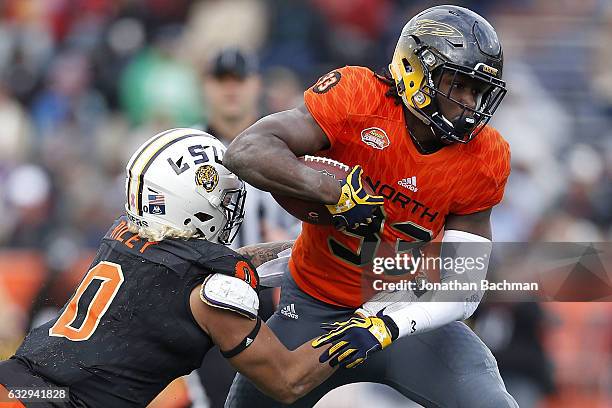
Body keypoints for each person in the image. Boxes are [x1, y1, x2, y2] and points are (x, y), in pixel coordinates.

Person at [224, 5, 518, 408]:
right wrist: (334, 191)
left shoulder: (485, 157)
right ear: (417, 72)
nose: (469, 103)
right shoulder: (359, 97)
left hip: (407, 312)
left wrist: (387, 325)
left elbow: (465, 287)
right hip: (314, 305)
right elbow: (246, 151)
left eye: (477, 91)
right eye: (458, 85)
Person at [0, 128, 345, 408]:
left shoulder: (122, 233)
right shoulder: (213, 293)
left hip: (18, 385)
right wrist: (379, 323)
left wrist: (307, 249)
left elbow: (220, 263)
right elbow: (287, 381)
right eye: (223, 200)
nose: (229, 210)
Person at [192, 48, 299, 408]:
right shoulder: (185, 150)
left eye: (239, 80)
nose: (231, 90)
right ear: (206, 87)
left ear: (256, 85)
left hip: (276, 298)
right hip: (203, 296)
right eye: (222, 81)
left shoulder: (288, 145)